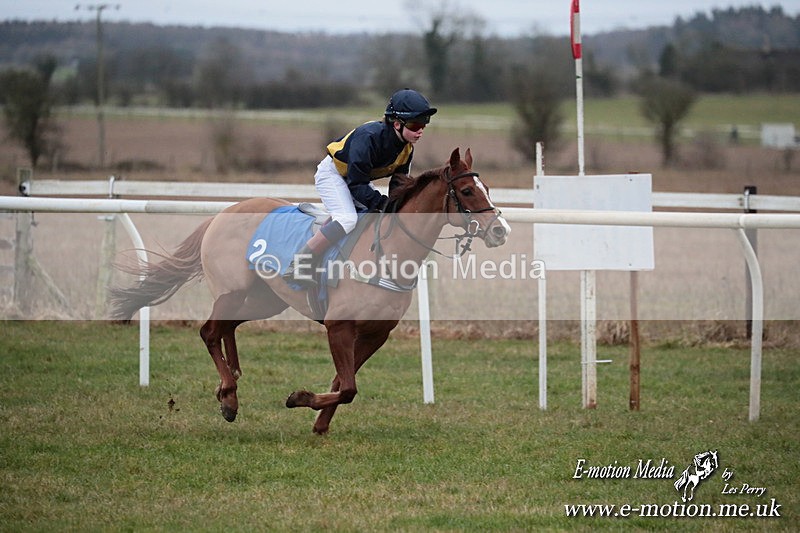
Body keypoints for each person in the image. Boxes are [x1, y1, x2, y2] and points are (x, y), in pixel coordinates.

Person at [283, 88, 437, 287]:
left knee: (375, 218)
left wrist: (396, 207)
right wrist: (384, 204)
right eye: (416, 125)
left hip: (356, 178)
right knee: (347, 219)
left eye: (425, 124)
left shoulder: (407, 149)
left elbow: (398, 186)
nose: (421, 130)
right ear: (397, 124)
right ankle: (299, 264)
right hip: (334, 175)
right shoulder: (368, 137)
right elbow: (356, 184)